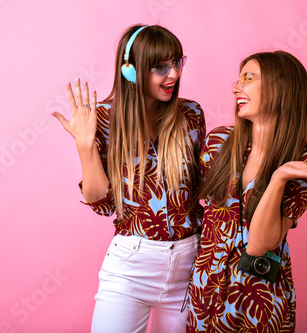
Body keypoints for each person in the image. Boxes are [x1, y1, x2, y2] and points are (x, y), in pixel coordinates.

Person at [52, 24, 206, 333]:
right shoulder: (104, 119)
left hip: (189, 264)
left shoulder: (191, 115)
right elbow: (102, 203)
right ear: (130, 71)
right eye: (160, 66)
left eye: (177, 62)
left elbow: (199, 190)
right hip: (131, 268)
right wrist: (85, 145)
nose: (173, 74)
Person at [186, 51, 307, 332]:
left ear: (280, 87)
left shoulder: (306, 162)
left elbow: (259, 244)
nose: (237, 87)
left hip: (261, 301)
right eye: (238, 79)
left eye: (249, 78)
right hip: (205, 294)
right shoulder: (217, 143)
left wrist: (279, 178)